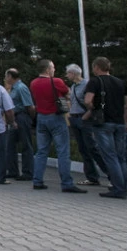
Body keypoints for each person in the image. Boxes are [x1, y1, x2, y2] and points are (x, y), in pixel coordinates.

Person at [29, 60, 86, 194]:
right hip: (55, 117)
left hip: (41, 117)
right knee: (63, 151)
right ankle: (66, 183)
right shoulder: (56, 81)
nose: (54, 70)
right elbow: (68, 94)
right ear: (48, 70)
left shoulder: (33, 83)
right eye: (53, 67)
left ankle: (37, 181)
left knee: (41, 151)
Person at [83, 57, 127, 199]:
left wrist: (93, 108)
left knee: (110, 156)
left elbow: (87, 100)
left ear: (97, 67)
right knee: (120, 157)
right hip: (119, 122)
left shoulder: (95, 81)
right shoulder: (120, 82)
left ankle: (118, 188)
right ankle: (125, 185)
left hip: (103, 122)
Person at [65, 63, 108, 187]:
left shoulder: (87, 85)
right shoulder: (73, 86)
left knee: (93, 148)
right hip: (74, 118)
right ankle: (92, 177)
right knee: (83, 149)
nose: (67, 76)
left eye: (68, 73)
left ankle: (111, 174)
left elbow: (92, 102)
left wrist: (86, 115)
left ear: (73, 73)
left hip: (84, 119)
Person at [4, 69, 35, 181]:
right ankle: (12, 170)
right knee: (10, 145)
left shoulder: (21, 88)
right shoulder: (12, 89)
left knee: (26, 145)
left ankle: (28, 172)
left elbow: (30, 106)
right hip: (14, 117)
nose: (6, 79)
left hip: (22, 116)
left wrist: (30, 119)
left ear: (10, 76)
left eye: (6, 76)